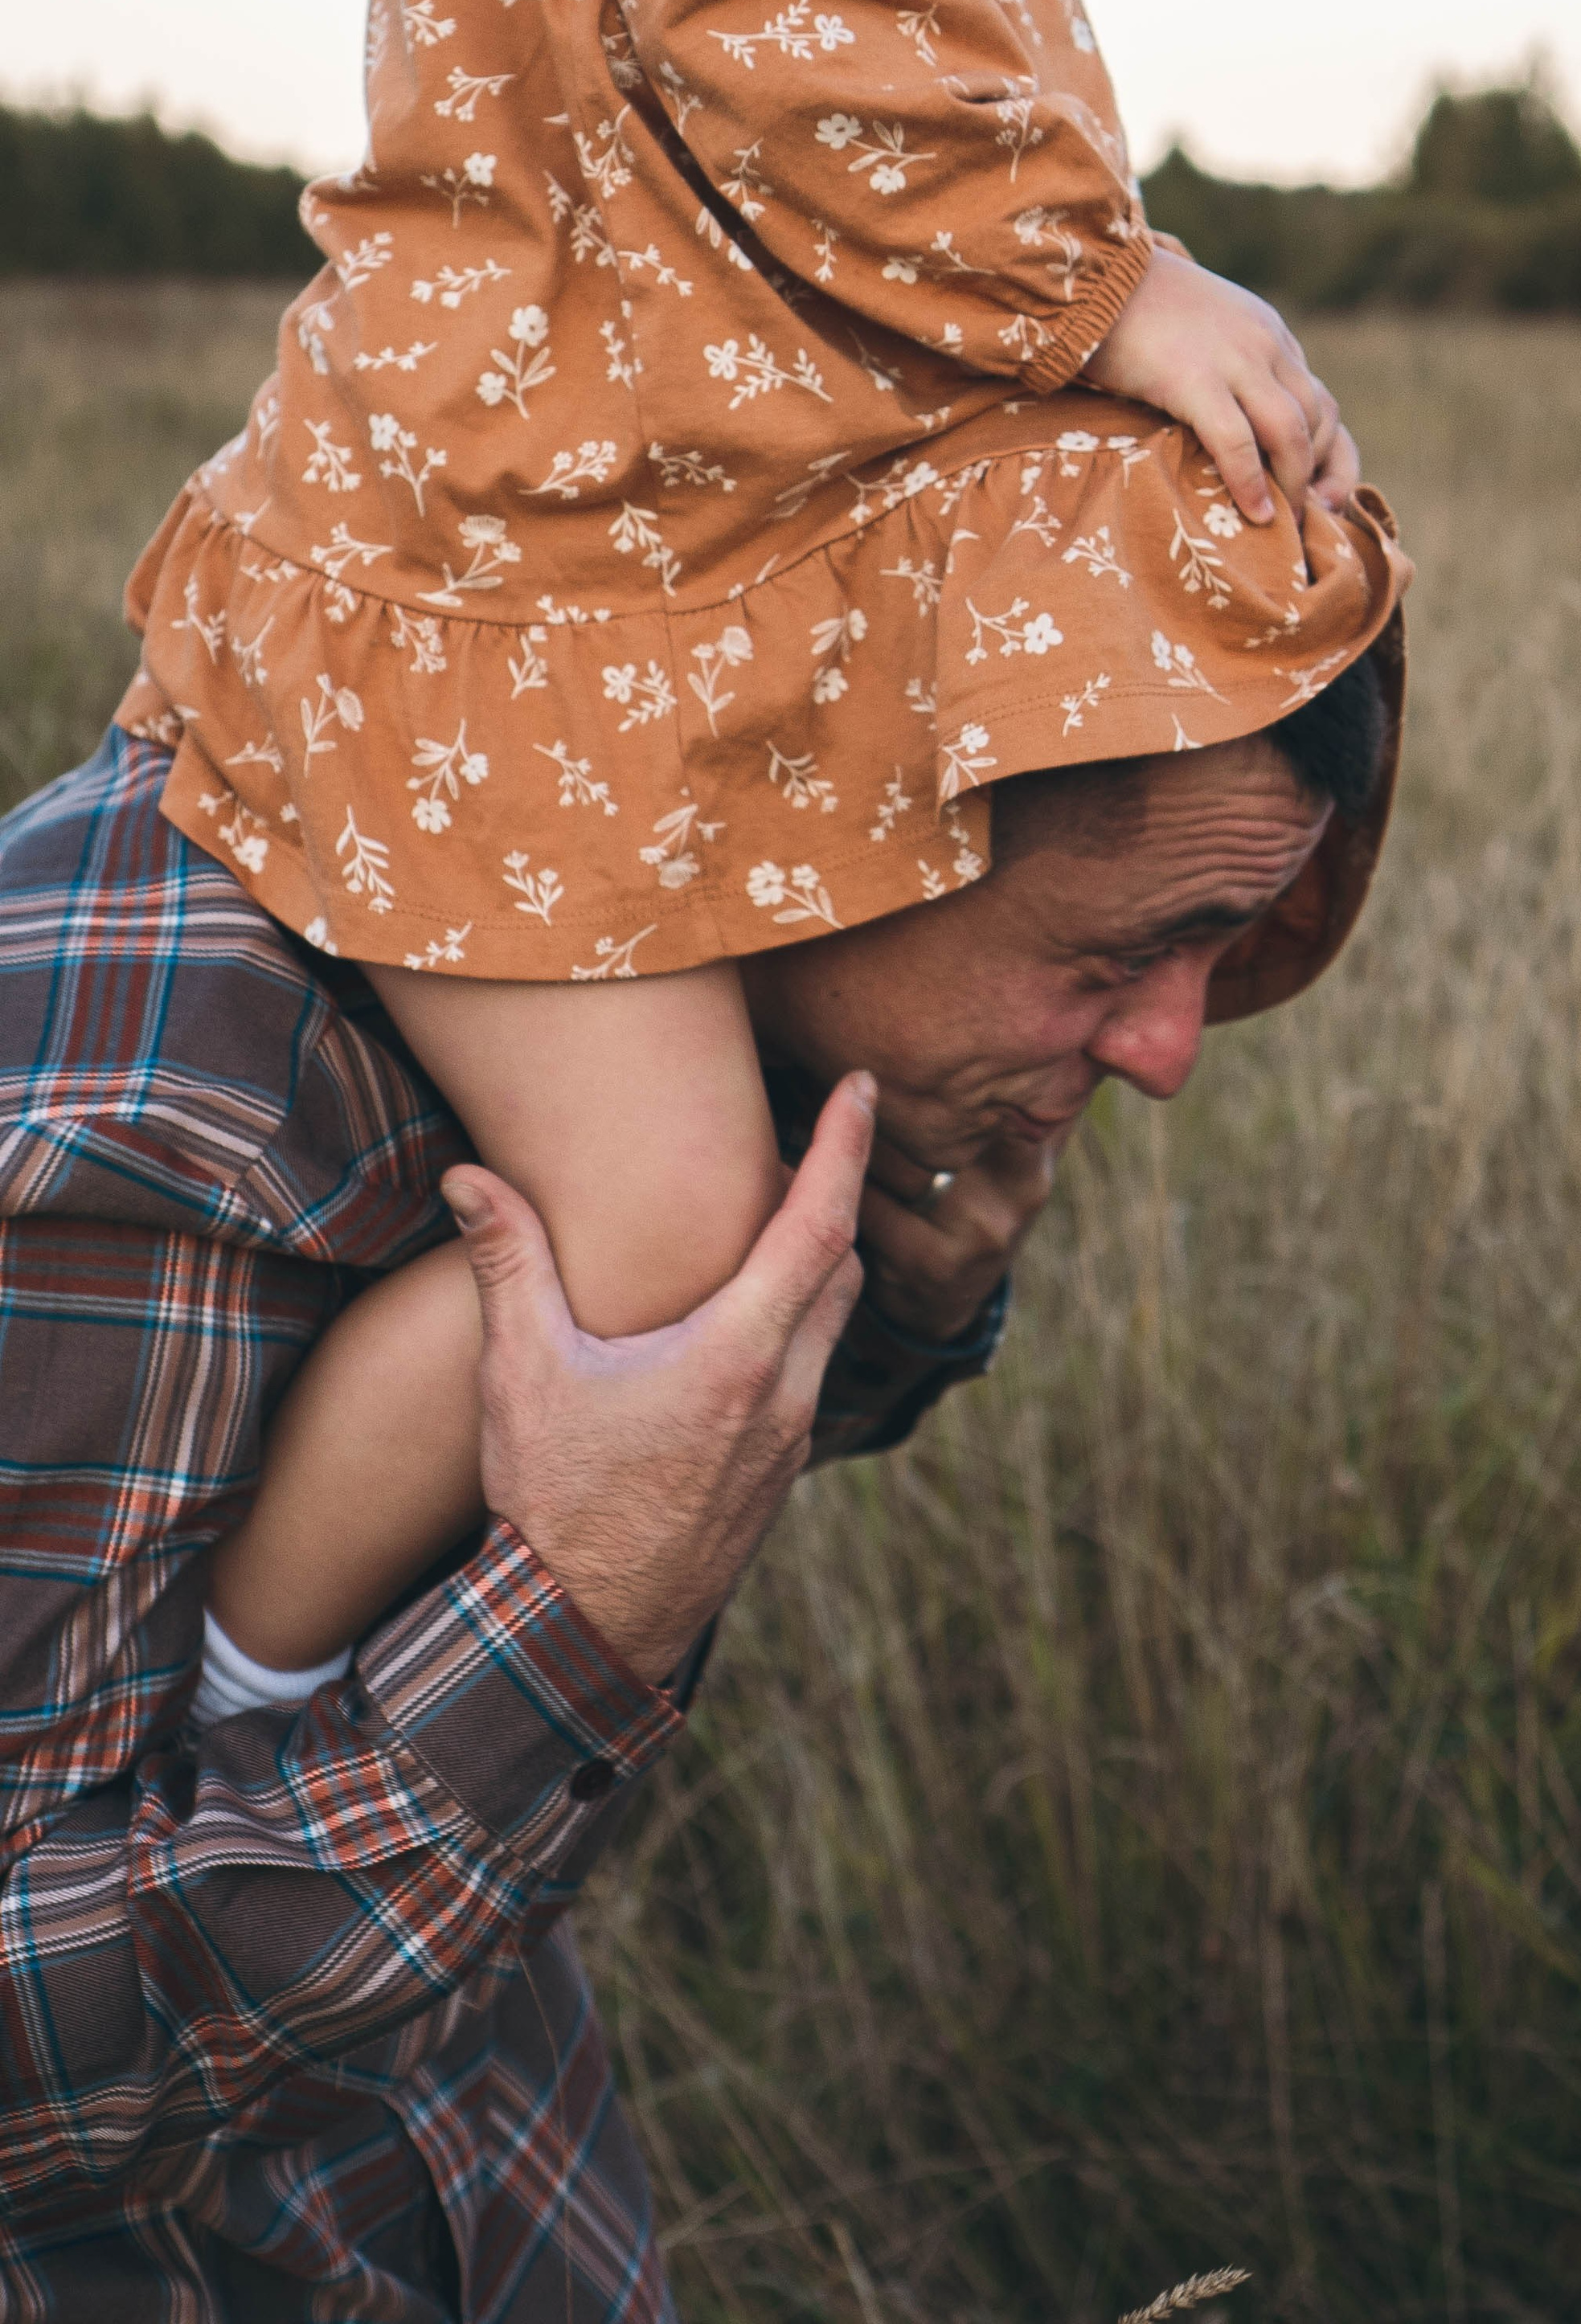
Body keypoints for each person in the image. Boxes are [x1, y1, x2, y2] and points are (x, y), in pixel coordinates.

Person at [111, 0, 1411, 1729]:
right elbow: (782, 30)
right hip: (486, 602)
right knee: (679, 1233)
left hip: (654, 601)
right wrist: (1106, 291)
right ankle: (246, 1685)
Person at [0, 635, 1402, 2315]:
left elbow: (649, 1435)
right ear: (835, 828)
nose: (1169, 1050)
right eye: (1122, 953)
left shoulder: (662, 976)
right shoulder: (152, 1130)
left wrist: (890, 1307)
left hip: (500, 2193)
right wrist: (574, 1624)